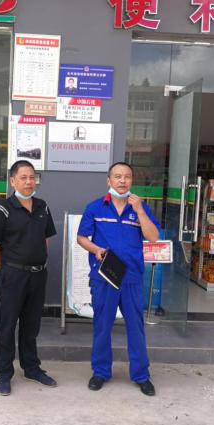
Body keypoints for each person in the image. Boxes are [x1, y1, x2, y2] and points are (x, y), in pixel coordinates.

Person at [76, 162, 160, 396]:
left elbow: (153, 237)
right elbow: (81, 237)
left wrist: (140, 210)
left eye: (127, 177)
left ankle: (141, 375)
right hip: (105, 276)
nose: (122, 181)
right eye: (117, 176)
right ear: (109, 180)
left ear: (132, 181)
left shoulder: (140, 207)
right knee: (102, 325)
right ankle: (100, 372)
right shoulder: (95, 207)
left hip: (132, 277)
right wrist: (96, 249)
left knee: (136, 327)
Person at [0, 160, 57, 396]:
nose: (29, 182)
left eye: (32, 177)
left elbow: (46, 238)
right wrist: (7, 269)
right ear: (13, 181)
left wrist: (38, 261)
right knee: (7, 326)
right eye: (23, 177)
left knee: (31, 325)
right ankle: (4, 373)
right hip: (13, 276)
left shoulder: (42, 206)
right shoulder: (3, 210)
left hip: (38, 276)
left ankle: (31, 368)